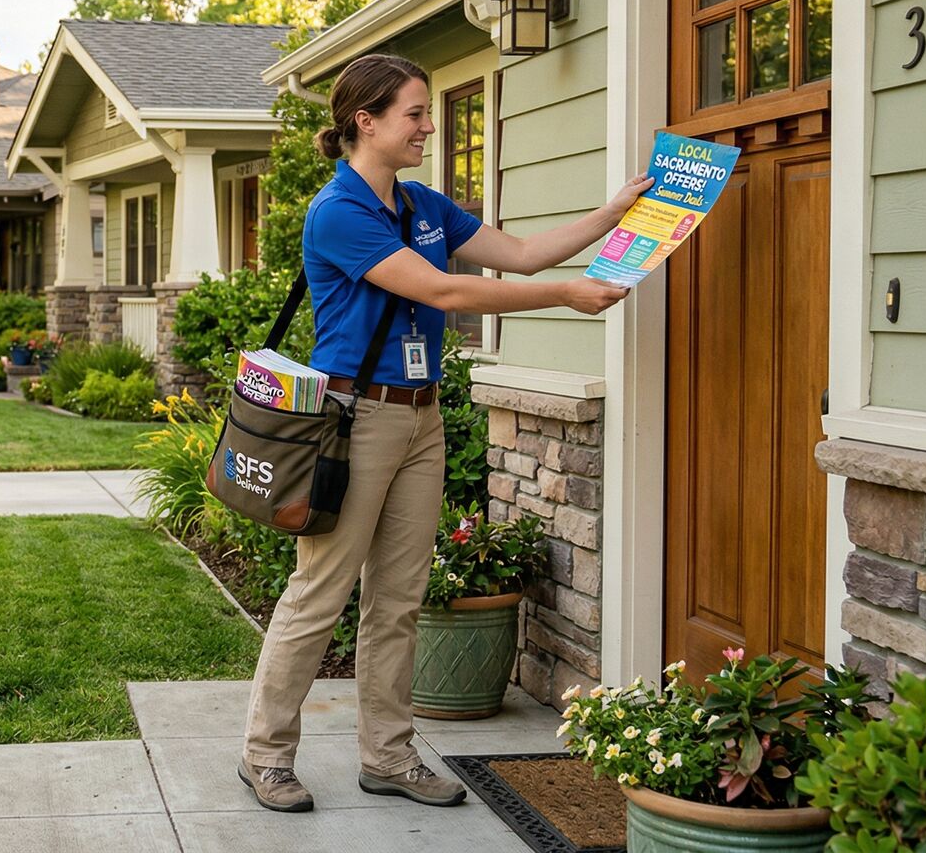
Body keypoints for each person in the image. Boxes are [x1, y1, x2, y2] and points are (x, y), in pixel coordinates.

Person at [238, 53, 649, 812]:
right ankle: (266, 755)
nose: (430, 126)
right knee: (319, 595)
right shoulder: (340, 212)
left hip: (421, 417)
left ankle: (388, 756)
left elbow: (519, 253)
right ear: (367, 122)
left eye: (427, 113)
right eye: (416, 114)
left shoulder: (423, 203)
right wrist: (562, 294)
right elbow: (439, 287)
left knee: (399, 597)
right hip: (354, 420)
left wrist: (617, 210)